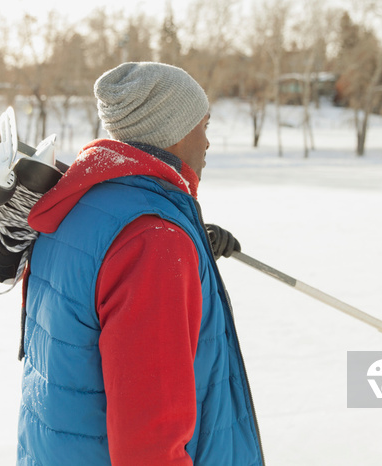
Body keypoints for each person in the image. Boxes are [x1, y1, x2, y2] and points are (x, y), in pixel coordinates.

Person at [17, 62, 264, 465]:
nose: (206, 143)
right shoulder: (153, 242)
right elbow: (150, 446)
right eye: (203, 125)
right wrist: (174, 249)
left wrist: (194, 245)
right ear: (174, 131)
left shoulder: (80, 206)